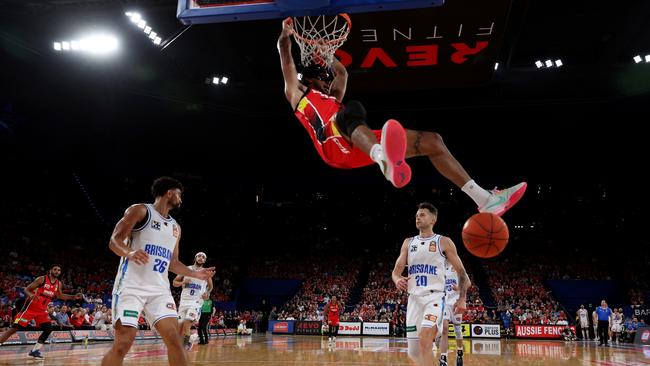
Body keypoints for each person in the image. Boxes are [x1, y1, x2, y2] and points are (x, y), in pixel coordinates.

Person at [278, 18, 526, 216]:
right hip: (332, 143)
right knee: (350, 111)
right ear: (311, 80)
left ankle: (485, 200)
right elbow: (286, 61)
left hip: (357, 139)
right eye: (322, 77)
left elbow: (342, 75)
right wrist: (285, 37)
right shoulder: (299, 95)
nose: (327, 79)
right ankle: (382, 157)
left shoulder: (333, 97)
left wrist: (327, 53)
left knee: (434, 142)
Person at [101, 177, 215, 366]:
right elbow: (114, 240)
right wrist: (129, 252)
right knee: (123, 343)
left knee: (176, 340)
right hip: (131, 287)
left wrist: (195, 274)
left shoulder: (175, 228)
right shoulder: (140, 210)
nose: (181, 199)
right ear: (169, 192)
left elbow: (173, 263)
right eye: (180, 194)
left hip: (159, 290)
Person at [392, 202, 470, 366]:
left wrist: (462, 298)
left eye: (422, 215)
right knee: (414, 353)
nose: (418, 218)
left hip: (434, 299)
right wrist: (397, 279)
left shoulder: (444, 242)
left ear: (433, 219)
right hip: (413, 300)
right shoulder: (408, 242)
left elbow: (462, 273)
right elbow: (396, 271)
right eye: (416, 216)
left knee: (425, 343)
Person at [0, 264, 84, 359]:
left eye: (59, 270)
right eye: (55, 269)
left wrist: (73, 297)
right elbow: (27, 289)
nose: (57, 271)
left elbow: (60, 296)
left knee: (48, 329)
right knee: (14, 329)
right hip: (30, 308)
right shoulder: (42, 279)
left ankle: (35, 350)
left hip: (42, 310)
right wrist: (31, 295)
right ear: (50, 270)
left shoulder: (58, 283)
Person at [173, 251, 213, 351]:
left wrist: (207, 292)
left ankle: (185, 345)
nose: (201, 258)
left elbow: (211, 287)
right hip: (184, 301)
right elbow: (174, 282)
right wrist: (183, 282)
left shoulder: (206, 272)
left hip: (196, 301)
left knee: (187, 322)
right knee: (180, 326)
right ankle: (190, 339)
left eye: (203, 257)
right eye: (199, 256)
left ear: (205, 260)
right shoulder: (186, 269)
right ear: (195, 258)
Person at [438, 263, 464, 366]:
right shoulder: (441, 266)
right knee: (444, 329)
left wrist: (459, 289)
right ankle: (443, 358)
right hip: (445, 302)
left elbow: (467, 284)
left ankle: (460, 351)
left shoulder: (457, 265)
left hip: (456, 301)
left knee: (458, 330)